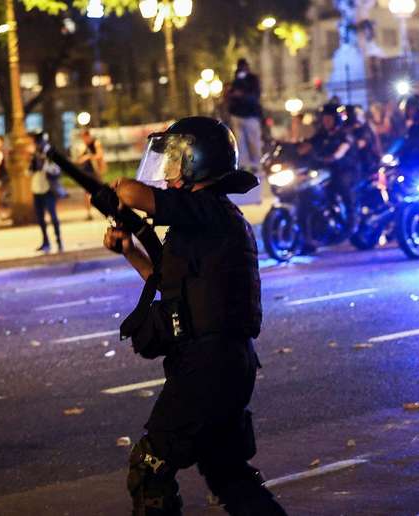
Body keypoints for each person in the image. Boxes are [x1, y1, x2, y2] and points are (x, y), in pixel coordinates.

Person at [103, 117, 286, 516]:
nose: (166, 176)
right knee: (228, 474)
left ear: (196, 162)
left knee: (150, 468)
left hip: (209, 367)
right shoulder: (203, 221)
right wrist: (131, 251)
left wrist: (118, 192)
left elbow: (141, 195)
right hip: (219, 366)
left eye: (173, 163)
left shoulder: (211, 212)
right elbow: (170, 282)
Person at [226, 58, 263, 173]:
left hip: (250, 114)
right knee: (240, 141)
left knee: (253, 140)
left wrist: (242, 95)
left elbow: (255, 95)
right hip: (237, 114)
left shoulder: (252, 80)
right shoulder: (235, 80)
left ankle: (255, 164)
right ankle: (243, 164)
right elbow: (230, 96)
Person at [28, 134, 63, 253]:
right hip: (37, 189)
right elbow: (28, 172)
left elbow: (57, 170)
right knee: (40, 218)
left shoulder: (50, 155)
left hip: (48, 190)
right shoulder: (34, 156)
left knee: (53, 216)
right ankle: (46, 242)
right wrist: (33, 165)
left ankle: (59, 241)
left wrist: (44, 166)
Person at [73, 128, 106, 220]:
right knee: (87, 193)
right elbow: (79, 159)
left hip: (95, 171)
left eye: (84, 137)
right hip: (86, 171)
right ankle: (89, 213)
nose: (83, 139)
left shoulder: (95, 143)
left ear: (88, 135)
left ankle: (105, 210)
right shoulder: (83, 146)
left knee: (100, 192)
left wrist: (88, 157)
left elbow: (100, 155)